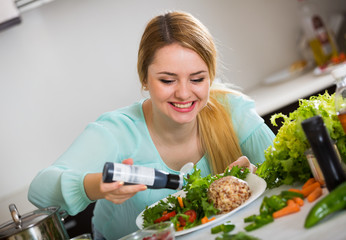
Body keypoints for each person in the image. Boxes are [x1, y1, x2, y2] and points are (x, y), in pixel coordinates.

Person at [28, 11, 275, 239]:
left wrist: (255, 176)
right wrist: (96, 186)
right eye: (168, 80)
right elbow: (39, 191)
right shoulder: (118, 131)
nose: (183, 93)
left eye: (197, 79)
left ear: (210, 75)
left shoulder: (232, 111)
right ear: (144, 79)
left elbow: (281, 169)